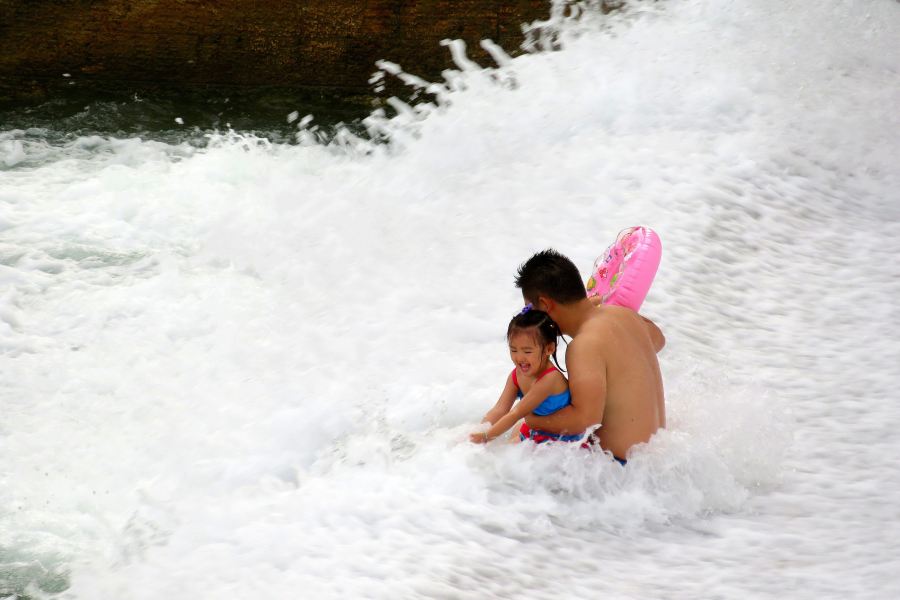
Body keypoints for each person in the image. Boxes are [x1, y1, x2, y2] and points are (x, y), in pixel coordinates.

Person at [514, 249, 666, 464]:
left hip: (617, 473)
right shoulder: (624, 316)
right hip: (654, 465)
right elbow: (658, 339)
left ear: (546, 304)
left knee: (521, 432)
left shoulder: (583, 346)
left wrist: (528, 417)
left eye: (529, 309)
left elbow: (585, 420)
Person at [469, 307, 587, 445]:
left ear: (549, 349)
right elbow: (500, 409)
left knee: (508, 455)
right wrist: (478, 431)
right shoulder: (516, 375)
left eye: (527, 351)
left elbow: (516, 413)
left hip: (562, 441)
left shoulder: (551, 378)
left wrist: (486, 436)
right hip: (537, 432)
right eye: (513, 350)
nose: (519, 358)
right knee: (504, 450)